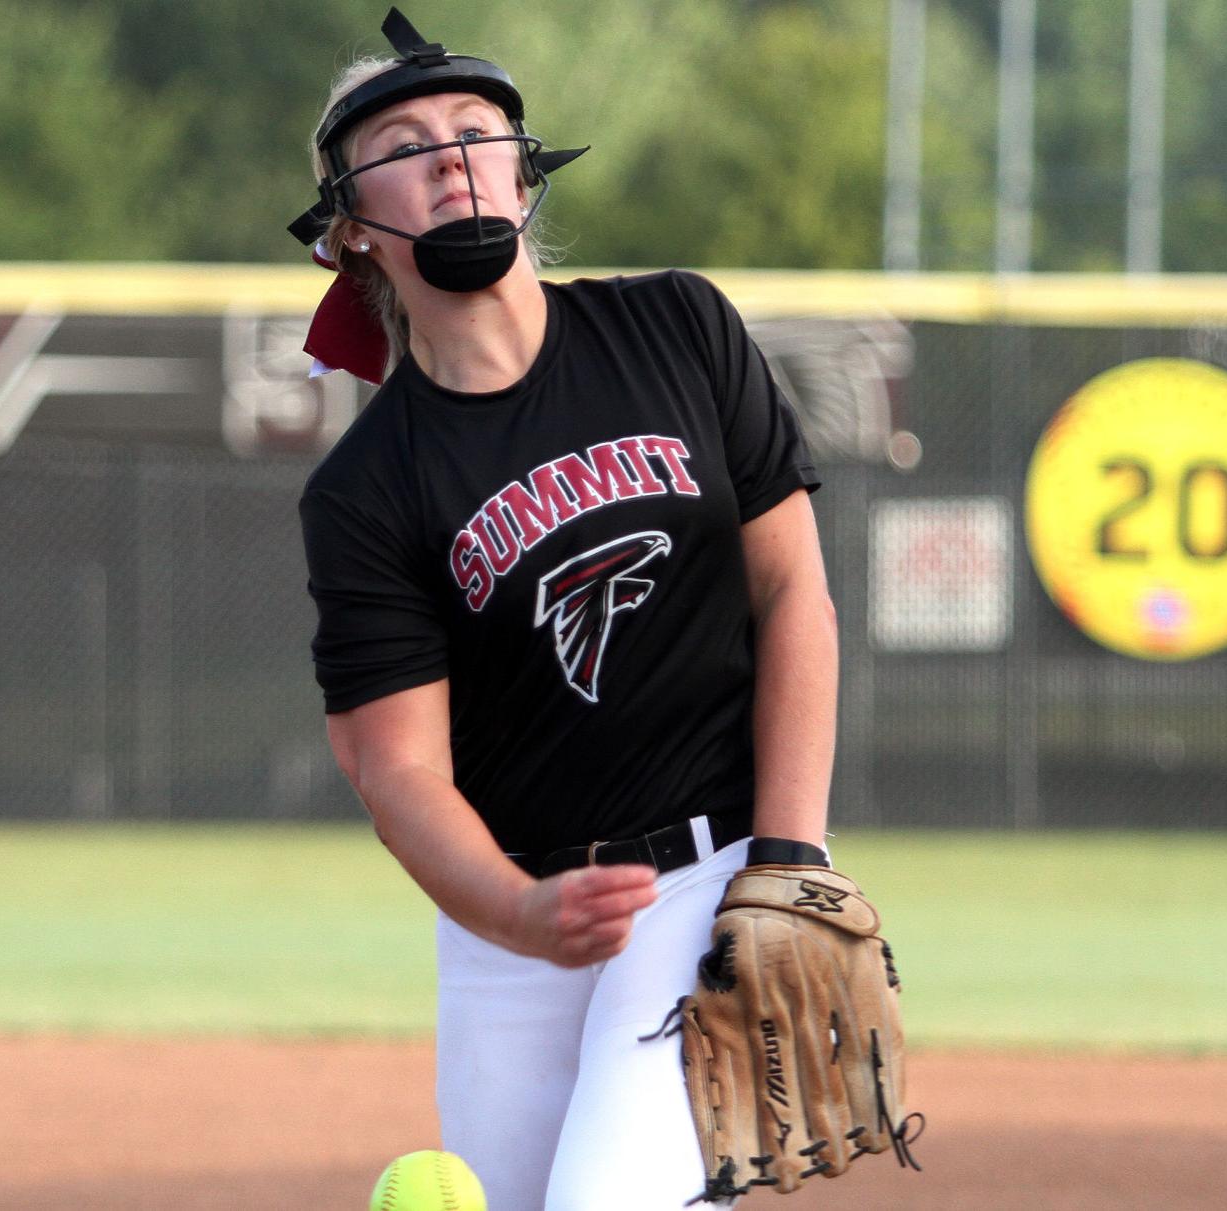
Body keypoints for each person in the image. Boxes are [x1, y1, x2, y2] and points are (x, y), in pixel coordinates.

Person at [295, 10, 838, 1209]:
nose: (448, 155)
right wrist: (521, 912)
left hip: (717, 875)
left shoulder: (676, 327)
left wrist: (792, 862)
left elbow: (793, 587)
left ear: (523, 171)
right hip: (510, 919)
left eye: (477, 131)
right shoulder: (367, 489)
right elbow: (399, 774)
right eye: (404, 143)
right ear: (350, 228)